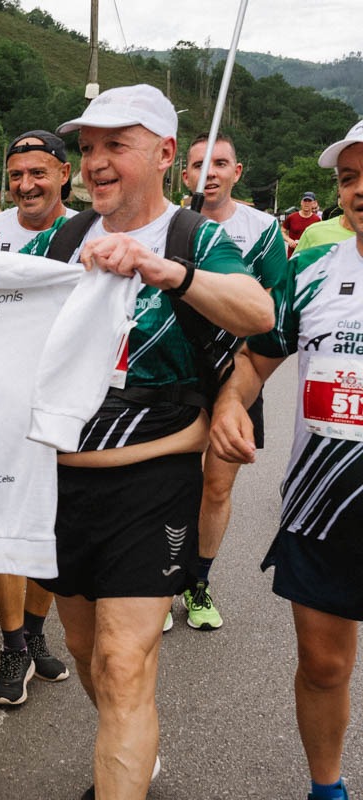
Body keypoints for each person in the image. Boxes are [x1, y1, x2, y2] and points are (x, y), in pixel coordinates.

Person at [18, 85, 273, 798]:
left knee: (124, 663)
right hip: (61, 484)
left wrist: (168, 272)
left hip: (154, 482)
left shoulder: (201, 239)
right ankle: (135, 748)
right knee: (88, 657)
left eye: (114, 145)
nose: (95, 162)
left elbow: (257, 311)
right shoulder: (58, 242)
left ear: (164, 154)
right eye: (88, 148)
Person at [209, 118, 363, 800]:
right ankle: (325, 791)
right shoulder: (312, 269)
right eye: (349, 178)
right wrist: (230, 405)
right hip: (324, 502)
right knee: (324, 664)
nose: (358, 189)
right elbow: (256, 358)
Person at [0, 129, 78, 704]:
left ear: (63, 173)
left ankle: (33, 634)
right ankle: (11, 647)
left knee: (49, 528)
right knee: (1, 527)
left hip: (62, 404)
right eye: (15, 175)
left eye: (38, 173)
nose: (26, 185)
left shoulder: (89, 232)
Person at [178, 133, 287, 631]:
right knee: (171, 486)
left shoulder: (262, 231)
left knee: (216, 488)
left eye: (220, 163)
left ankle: (198, 582)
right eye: (199, 165)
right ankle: (161, 580)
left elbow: (268, 320)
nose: (210, 173)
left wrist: (240, 388)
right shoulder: (173, 227)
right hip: (178, 375)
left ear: (237, 172)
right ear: (185, 175)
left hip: (237, 376)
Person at [282, 191, 322, 256]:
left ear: (314, 203)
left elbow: (319, 238)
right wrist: (289, 240)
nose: (306, 203)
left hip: (308, 256)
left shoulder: (317, 219)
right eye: (305, 201)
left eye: (309, 201)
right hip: (293, 255)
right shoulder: (292, 217)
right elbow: (282, 231)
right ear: (301, 202)